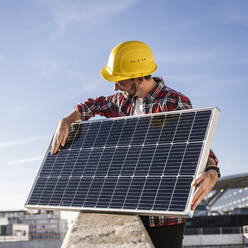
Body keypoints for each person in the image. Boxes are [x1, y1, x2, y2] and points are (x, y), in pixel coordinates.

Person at [50, 41, 220, 248]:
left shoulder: (173, 102)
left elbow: (196, 144)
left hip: (164, 213)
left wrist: (212, 169)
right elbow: (91, 106)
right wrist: (66, 120)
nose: (115, 86)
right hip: (129, 203)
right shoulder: (121, 101)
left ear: (138, 78)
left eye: (119, 81)